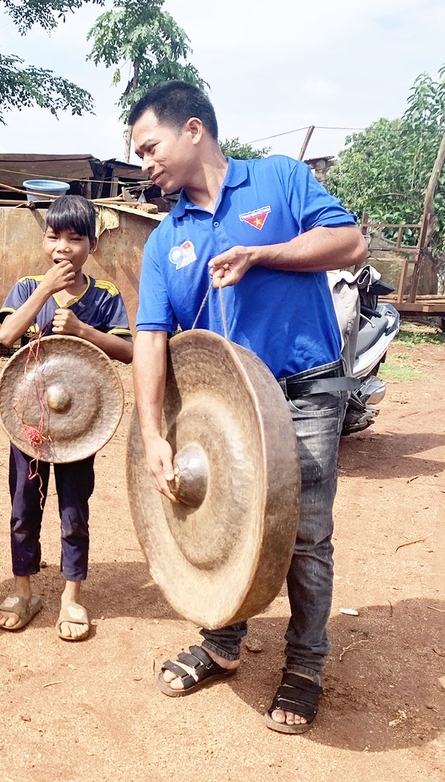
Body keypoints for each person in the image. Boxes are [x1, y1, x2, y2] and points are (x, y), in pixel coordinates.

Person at [128, 81, 367, 732]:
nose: (144, 163)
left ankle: (305, 665)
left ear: (193, 130)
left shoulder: (279, 180)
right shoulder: (164, 241)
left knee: (305, 533)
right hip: (226, 409)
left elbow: (350, 244)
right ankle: (222, 643)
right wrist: (152, 433)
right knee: (226, 521)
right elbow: (150, 338)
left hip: (305, 388)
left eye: (149, 147)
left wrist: (263, 254)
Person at [0, 195, 133, 641]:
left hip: (80, 426)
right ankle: (23, 590)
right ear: (44, 240)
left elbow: (129, 351)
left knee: (74, 510)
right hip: (28, 422)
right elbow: (6, 335)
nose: (63, 247)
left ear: (93, 244)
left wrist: (83, 331)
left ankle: (72, 597)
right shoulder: (26, 288)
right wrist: (46, 290)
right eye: (54, 237)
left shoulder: (105, 295)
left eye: (75, 238)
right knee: (23, 508)